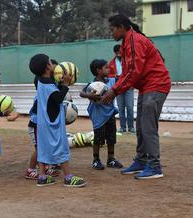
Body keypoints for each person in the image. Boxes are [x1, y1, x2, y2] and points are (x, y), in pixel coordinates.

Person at [102, 14, 171, 180]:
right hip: (147, 87)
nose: (111, 33)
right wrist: (115, 89)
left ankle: (154, 166)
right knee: (140, 125)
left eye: (112, 30)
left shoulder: (135, 40)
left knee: (148, 126)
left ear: (121, 27)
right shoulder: (127, 42)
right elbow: (128, 72)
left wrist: (114, 91)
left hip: (156, 85)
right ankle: (141, 160)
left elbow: (134, 72)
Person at [29, 54, 86, 187]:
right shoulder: (48, 84)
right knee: (61, 147)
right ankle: (68, 178)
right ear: (48, 66)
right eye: (50, 62)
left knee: (42, 149)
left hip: (43, 123)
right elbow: (58, 99)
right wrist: (65, 84)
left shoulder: (41, 81)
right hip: (52, 123)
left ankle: (42, 177)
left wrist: (60, 83)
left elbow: (53, 95)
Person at [80, 59, 123, 170]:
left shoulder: (111, 81)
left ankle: (111, 159)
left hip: (110, 114)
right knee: (98, 138)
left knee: (111, 137)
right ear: (98, 70)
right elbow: (81, 93)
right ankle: (96, 160)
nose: (109, 69)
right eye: (106, 67)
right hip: (99, 116)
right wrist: (91, 96)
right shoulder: (92, 85)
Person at [108, 44, 135, 134]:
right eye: (117, 52)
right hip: (118, 88)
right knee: (121, 108)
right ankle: (123, 128)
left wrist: (132, 84)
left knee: (130, 108)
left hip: (128, 88)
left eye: (120, 52)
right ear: (115, 53)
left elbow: (133, 72)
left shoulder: (128, 60)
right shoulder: (111, 63)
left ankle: (131, 127)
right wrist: (114, 77)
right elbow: (109, 75)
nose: (118, 54)